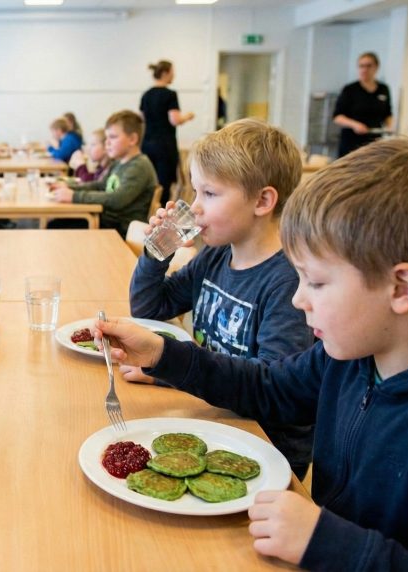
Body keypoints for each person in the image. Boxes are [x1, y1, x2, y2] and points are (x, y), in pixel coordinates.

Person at [96, 138, 408, 570]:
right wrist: (164, 353)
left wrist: (329, 541)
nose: (298, 299)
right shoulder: (352, 356)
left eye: (316, 283)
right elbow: (268, 386)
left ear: (402, 288)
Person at [126, 119, 314, 478]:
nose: (194, 208)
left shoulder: (288, 282)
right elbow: (151, 308)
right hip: (217, 415)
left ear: (262, 200)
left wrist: (172, 370)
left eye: (209, 194)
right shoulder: (216, 255)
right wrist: (157, 252)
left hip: (263, 450)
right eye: (195, 193)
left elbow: (272, 388)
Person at [49, 110, 157, 235]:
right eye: (107, 138)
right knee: (56, 223)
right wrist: (69, 187)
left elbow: (116, 200)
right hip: (107, 222)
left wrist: (74, 196)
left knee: (56, 227)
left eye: (112, 137)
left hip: (120, 230)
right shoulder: (118, 163)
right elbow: (100, 185)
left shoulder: (139, 166)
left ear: (132, 139)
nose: (107, 143)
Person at [141, 60, 195, 194]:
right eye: (172, 72)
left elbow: (142, 120)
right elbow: (174, 120)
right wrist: (188, 116)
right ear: (165, 73)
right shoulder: (170, 95)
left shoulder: (146, 95)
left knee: (149, 182)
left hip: (147, 144)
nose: (174, 75)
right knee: (164, 185)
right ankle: (162, 211)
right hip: (164, 146)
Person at [333, 52, 393, 157]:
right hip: (351, 144)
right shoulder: (350, 89)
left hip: (374, 143)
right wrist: (355, 125)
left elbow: (387, 114)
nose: (365, 69)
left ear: (376, 67)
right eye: (361, 66)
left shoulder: (384, 89)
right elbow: (337, 117)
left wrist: (390, 127)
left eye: (369, 66)